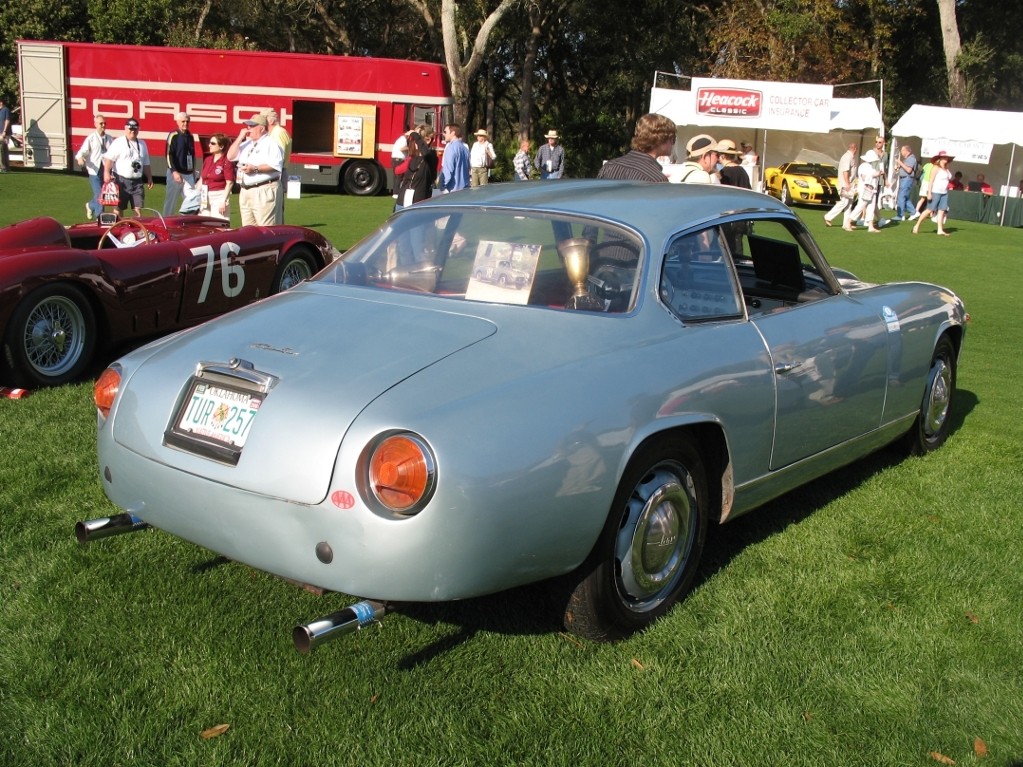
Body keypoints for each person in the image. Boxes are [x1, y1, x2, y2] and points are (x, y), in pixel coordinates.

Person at [227, 112, 283, 227]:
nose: (248, 128)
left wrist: (255, 169)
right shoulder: (247, 143)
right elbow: (230, 156)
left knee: (265, 229)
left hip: (263, 189)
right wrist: (240, 138)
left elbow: (276, 166)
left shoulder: (271, 143)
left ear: (262, 128)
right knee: (248, 231)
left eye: (252, 126)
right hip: (245, 190)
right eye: (248, 125)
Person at [596, 113, 676, 182]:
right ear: (660, 139)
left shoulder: (609, 166)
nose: (673, 143)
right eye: (673, 138)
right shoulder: (656, 179)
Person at [102, 119, 154, 216]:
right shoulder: (118, 142)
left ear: (138, 129)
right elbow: (109, 159)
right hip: (121, 181)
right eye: (130, 129)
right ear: (125, 129)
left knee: (138, 209)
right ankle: (117, 229)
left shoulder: (142, 144)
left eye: (135, 129)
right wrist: (106, 172)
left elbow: (146, 163)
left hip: (137, 181)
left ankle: (136, 229)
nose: (132, 131)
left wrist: (150, 178)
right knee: (118, 209)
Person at [74, 114, 112, 220]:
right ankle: (99, 218)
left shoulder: (109, 139)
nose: (103, 125)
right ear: (95, 124)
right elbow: (82, 151)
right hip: (94, 170)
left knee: (103, 194)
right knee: (100, 195)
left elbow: (113, 154)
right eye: (101, 123)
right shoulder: (91, 138)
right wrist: (80, 158)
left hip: (105, 170)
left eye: (104, 123)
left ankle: (90, 205)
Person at [394, 124, 437, 209]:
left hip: (418, 203)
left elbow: (426, 154)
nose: (414, 141)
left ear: (428, 140)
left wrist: (415, 135)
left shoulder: (431, 157)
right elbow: (405, 181)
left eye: (417, 138)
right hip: (403, 201)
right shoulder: (414, 158)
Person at [162, 112, 197, 216]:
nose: (185, 123)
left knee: (192, 199)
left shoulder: (190, 136)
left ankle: (188, 223)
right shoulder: (173, 135)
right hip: (176, 173)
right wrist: (174, 171)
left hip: (188, 174)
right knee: (171, 201)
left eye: (187, 121)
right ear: (177, 122)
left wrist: (193, 171)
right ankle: (166, 222)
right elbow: (168, 155)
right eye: (183, 121)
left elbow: (192, 154)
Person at [914, 151, 954, 236]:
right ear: (940, 159)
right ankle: (917, 225)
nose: (946, 159)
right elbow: (931, 180)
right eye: (944, 157)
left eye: (946, 157)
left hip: (944, 192)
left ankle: (940, 230)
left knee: (942, 210)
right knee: (929, 209)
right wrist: (929, 193)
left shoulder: (946, 169)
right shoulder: (936, 168)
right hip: (935, 191)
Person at [843, 149, 883, 233]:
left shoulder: (864, 166)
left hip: (871, 190)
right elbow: (870, 175)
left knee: (871, 207)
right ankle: (848, 222)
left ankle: (870, 226)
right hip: (867, 189)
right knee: (861, 206)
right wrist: (878, 173)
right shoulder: (866, 167)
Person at [198, 133, 235, 220]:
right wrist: (195, 194)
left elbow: (229, 183)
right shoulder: (207, 159)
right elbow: (202, 179)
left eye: (213, 143)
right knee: (204, 226)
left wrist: (224, 201)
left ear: (221, 146)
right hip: (205, 196)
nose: (209, 145)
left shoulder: (226, 161)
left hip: (219, 196)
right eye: (210, 142)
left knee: (219, 225)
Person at [264, 109, 291, 223]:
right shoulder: (273, 133)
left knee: (276, 209)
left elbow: (278, 157)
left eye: (263, 118)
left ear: (270, 120)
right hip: (275, 172)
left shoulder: (279, 132)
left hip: (277, 173)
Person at [824, 142, 858, 227]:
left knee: (849, 204)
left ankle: (846, 224)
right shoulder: (847, 157)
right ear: (855, 149)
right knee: (844, 202)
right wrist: (847, 184)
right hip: (845, 184)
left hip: (848, 183)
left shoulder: (849, 157)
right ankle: (828, 216)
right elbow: (845, 171)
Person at [438, 124, 469, 193]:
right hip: (464, 189)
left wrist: (442, 187)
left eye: (445, 132)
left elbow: (448, 171)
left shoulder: (450, 148)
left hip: (452, 190)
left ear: (453, 133)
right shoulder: (465, 148)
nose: (443, 134)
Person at [893, 144, 919, 220]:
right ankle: (914, 212)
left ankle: (900, 215)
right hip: (904, 179)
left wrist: (900, 163)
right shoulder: (907, 159)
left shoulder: (911, 158)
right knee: (904, 197)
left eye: (902, 150)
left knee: (901, 196)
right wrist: (899, 168)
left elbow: (909, 170)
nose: (901, 152)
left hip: (907, 179)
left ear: (906, 151)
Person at [0, 97, 11, 173]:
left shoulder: (5, 110)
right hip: (1, 133)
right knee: (4, 150)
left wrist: (4, 131)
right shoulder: (1, 111)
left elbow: (7, 120)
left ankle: (3, 167)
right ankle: (7, 167)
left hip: (4, 133)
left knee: (1, 150)